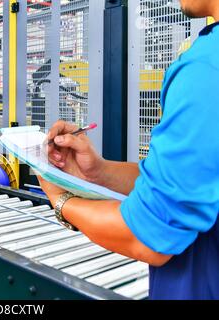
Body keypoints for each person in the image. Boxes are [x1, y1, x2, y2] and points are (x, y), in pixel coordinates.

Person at [38, 0, 219, 300]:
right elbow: (195, 182)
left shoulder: (206, 69)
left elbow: (150, 237)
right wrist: (98, 172)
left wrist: (61, 200)